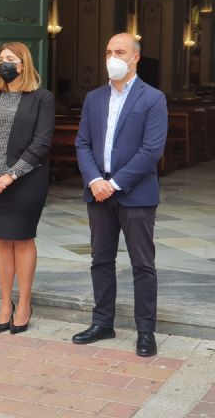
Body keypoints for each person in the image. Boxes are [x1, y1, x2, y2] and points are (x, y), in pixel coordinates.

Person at [72, 33, 167, 357]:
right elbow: (82, 143)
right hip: (98, 193)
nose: (113, 56)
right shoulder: (94, 98)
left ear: (135, 57)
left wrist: (115, 183)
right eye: (109, 51)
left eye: (120, 51)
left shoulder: (152, 98)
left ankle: (145, 331)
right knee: (100, 260)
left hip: (136, 194)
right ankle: (103, 322)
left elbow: (151, 150)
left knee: (143, 264)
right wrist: (95, 180)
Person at [0, 42, 55, 335]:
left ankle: (25, 303)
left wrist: (10, 176)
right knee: (1, 240)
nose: (4, 63)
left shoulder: (42, 98)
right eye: (1, 58)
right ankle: (5, 303)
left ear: (23, 65)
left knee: (22, 239)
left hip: (27, 181)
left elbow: (41, 144)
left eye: (10, 59)